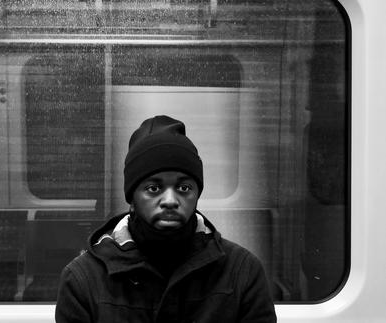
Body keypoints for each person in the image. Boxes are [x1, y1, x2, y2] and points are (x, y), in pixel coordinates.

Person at [55, 115, 276, 323]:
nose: (170, 200)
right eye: (153, 188)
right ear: (132, 197)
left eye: (184, 187)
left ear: (197, 195)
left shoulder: (241, 272)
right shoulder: (84, 280)